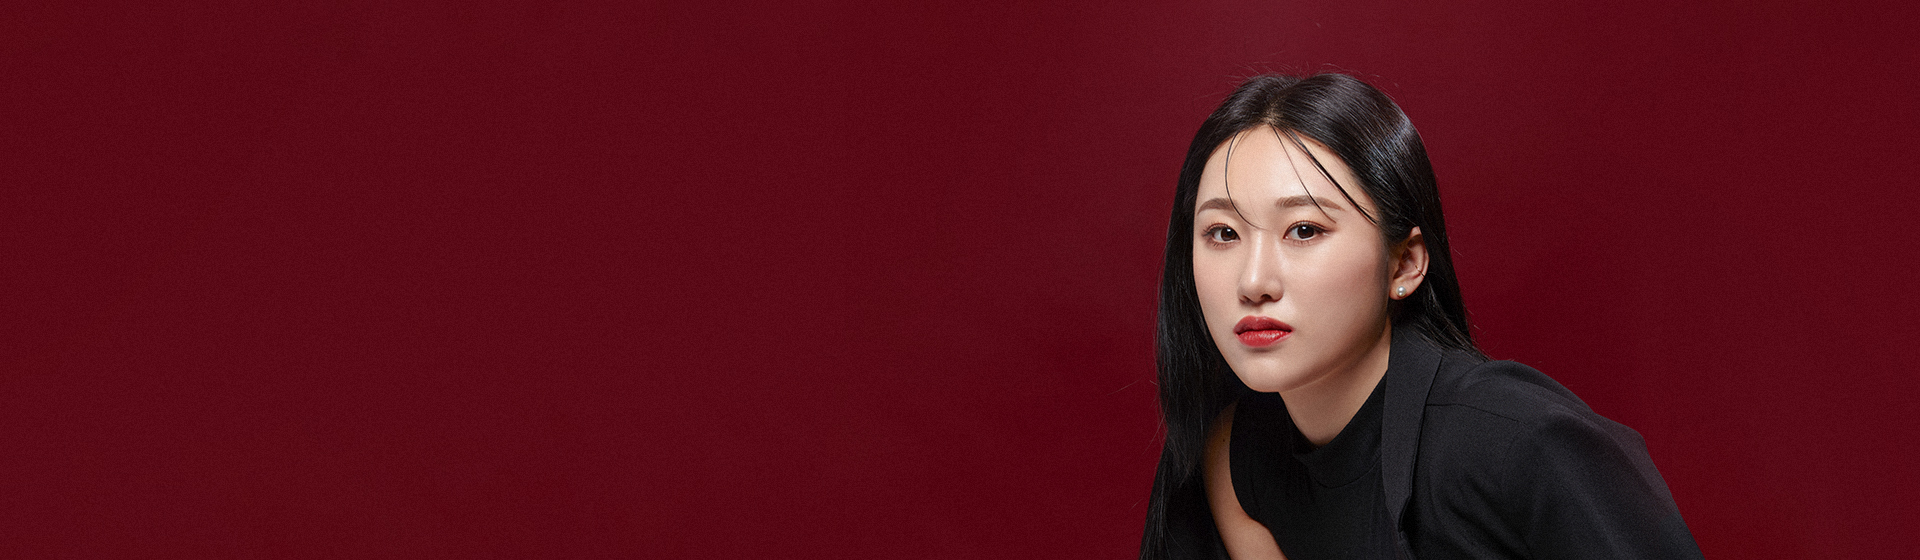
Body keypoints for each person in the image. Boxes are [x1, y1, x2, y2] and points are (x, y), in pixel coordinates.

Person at [1138, 74, 1701, 560]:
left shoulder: (1519, 442)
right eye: (1223, 233)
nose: (1253, 282)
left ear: (1404, 263)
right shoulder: (1233, 455)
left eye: (1304, 230)